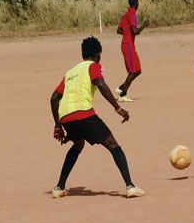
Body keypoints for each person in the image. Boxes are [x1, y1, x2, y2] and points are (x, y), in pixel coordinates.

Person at [49, 36, 145, 199]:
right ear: (97, 54)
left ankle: (59, 187)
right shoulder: (93, 66)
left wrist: (58, 125)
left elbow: (54, 98)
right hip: (83, 114)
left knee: (78, 145)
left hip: (65, 117)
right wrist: (118, 108)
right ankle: (130, 186)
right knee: (113, 145)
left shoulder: (70, 72)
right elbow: (100, 84)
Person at [115, 0, 149, 102]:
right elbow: (135, 31)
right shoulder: (132, 14)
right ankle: (123, 95)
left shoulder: (126, 15)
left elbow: (119, 30)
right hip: (128, 45)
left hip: (128, 44)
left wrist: (127, 34)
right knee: (133, 71)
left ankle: (121, 88)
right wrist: (143, 25)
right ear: (136, 3)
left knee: (138, 70)